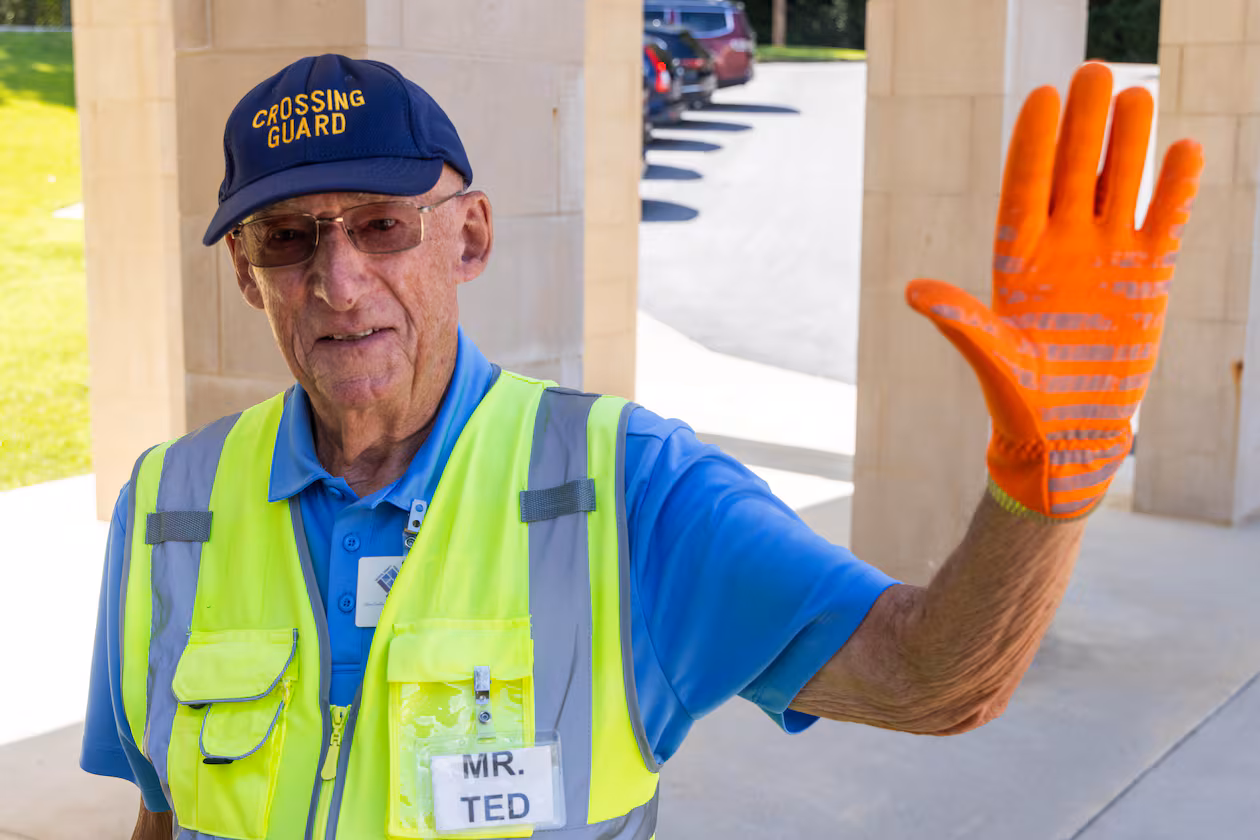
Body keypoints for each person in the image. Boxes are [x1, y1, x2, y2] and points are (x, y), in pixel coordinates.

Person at [79, 54, 1202, 839]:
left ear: (466, 236)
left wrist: (1043, 499)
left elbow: (933, 679)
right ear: (246, 275)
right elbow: (166, 812)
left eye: (381, 224)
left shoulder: (627, 488)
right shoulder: (171, 505)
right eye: (288, 239)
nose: (337, 282)